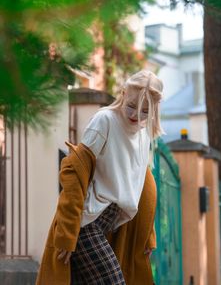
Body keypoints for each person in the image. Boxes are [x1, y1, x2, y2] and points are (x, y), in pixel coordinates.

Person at [36, 69, 164, 285]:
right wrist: (68, 233)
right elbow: (74, 172)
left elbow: (143, 182)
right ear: (123, 94)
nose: (136, 116)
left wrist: (147, 234)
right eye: (131, 105)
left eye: (145, 111)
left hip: (112, 224)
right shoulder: (105, 120)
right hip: (86, 223)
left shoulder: (143, 135)